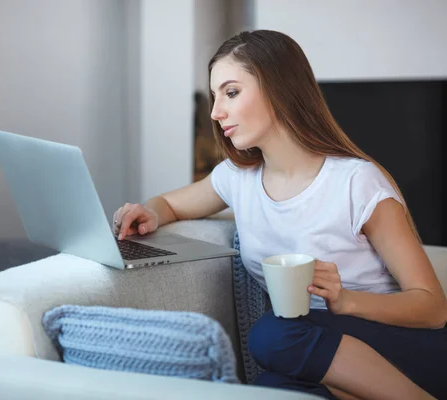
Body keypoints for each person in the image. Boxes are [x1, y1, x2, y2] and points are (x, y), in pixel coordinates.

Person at [112, 30, 447, 400]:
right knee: (270, 388)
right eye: (214, 96)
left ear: (278, 88)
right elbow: (170, 204)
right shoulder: (238, 178)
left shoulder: (356, 182)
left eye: (231, 92)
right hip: (315, 357)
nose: (215, 111)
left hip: (405, 350)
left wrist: (346, 301)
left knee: (273, 334)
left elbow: (432, 307)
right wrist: (148, 213)